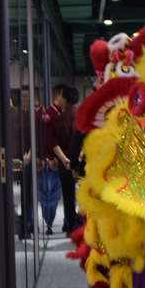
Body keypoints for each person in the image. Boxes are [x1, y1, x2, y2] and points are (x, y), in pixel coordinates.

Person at [50, 85, 80, 232]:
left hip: (65, 164)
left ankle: (72, 226)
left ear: (65, 100)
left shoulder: (57, 120)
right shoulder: (84, 118)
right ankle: (84, 225)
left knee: (68, 196)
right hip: (82, 163)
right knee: (86, 195)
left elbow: (53, 142)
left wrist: (64, 159)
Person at [38, 84, 66, 234]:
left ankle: (63, 222)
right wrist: (49, 157)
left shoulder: (61, 113)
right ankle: (48, 222)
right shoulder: (49, 115)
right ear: (56, 97)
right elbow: (45, 138)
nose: (66, 99)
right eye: (63, 96)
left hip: (62, 159)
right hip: (53, 160)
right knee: (51, 194)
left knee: (60, 193)